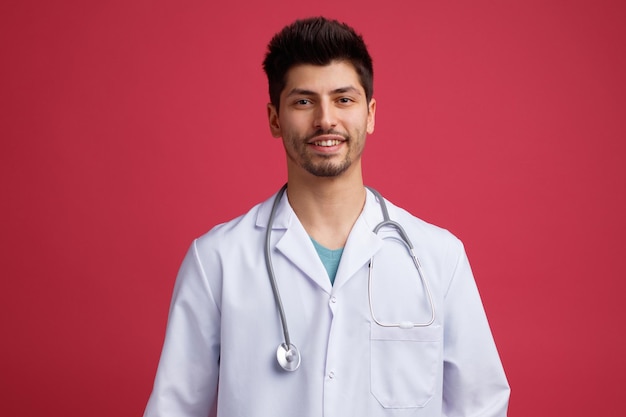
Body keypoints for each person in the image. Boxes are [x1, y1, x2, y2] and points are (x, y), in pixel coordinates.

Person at [143, 16, 510, 417]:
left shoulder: (439, 258)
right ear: (274, 118)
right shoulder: (217, 260)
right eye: (303, 101)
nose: (325, 120)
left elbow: (481, 404)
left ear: (370, 114)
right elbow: (173, 409)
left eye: (343, 99)